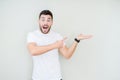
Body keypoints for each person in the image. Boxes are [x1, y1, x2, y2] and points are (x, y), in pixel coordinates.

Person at [27, 10, 92, 80]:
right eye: (43, 19)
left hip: (56, 77)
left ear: (52, 22)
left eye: (48, 20)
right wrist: (55, 45)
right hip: (38, 78)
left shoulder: (57, 36)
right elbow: (33, 51)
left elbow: (67, 55)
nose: (45, 22)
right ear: (39, 21)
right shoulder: (32, 35)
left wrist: (77, 40)